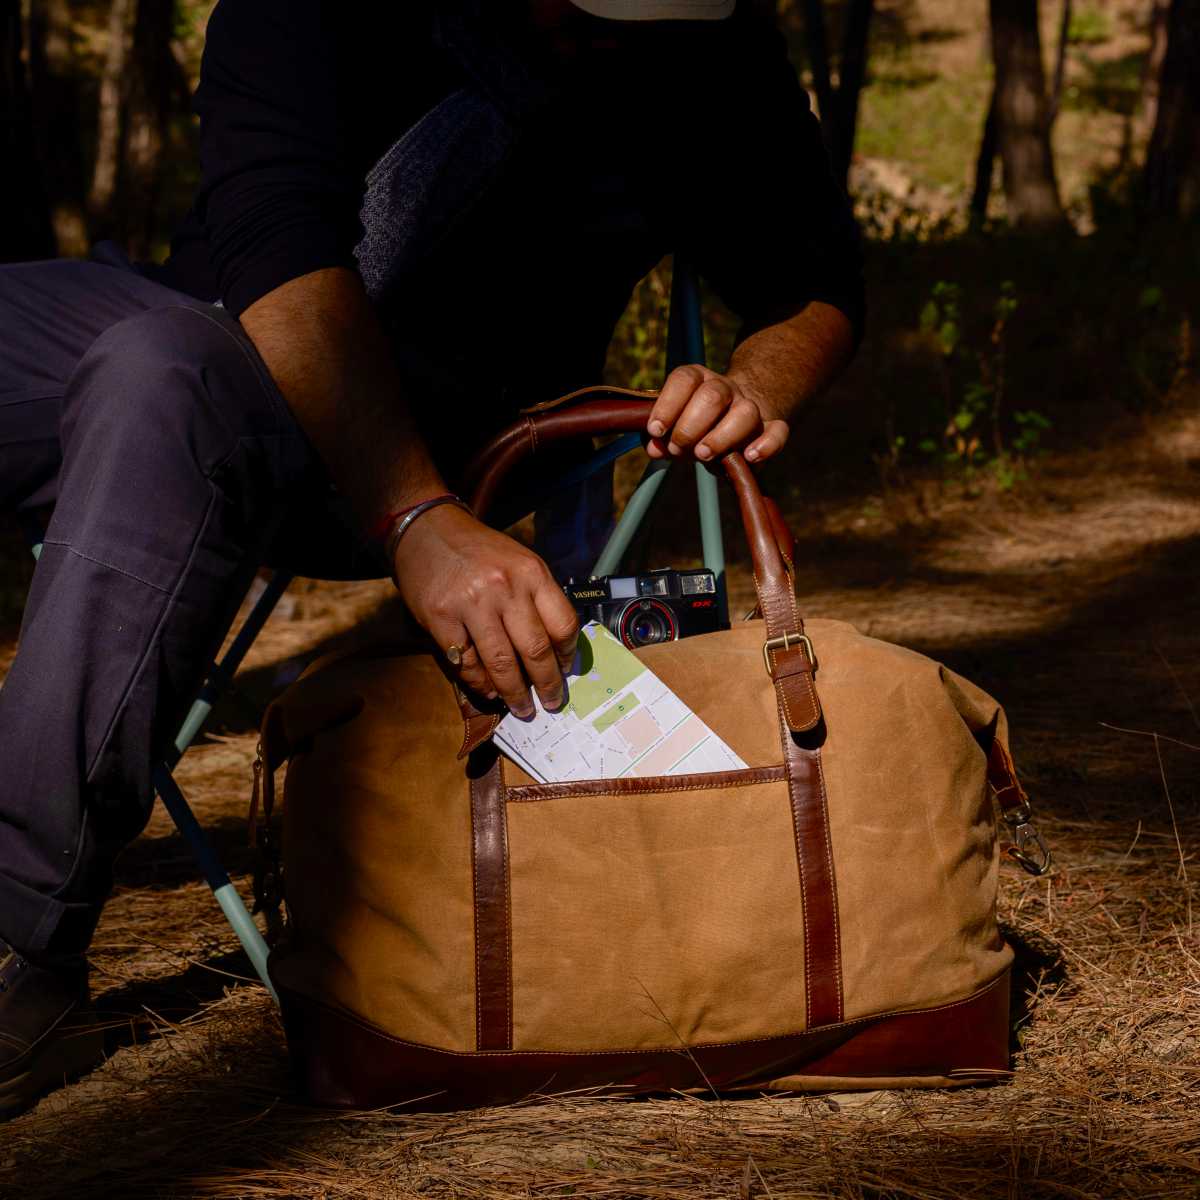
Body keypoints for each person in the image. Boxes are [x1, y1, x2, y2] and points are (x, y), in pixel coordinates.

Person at [0, 0, 863, 1116]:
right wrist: (411, 520)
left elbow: (819, 273)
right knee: (162, 352)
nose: (614, 39)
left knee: (158, 376)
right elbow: (276, 237)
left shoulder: (706, 53)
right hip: (233, 315)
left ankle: (18, 949)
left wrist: (755, 384)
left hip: (443, 423)